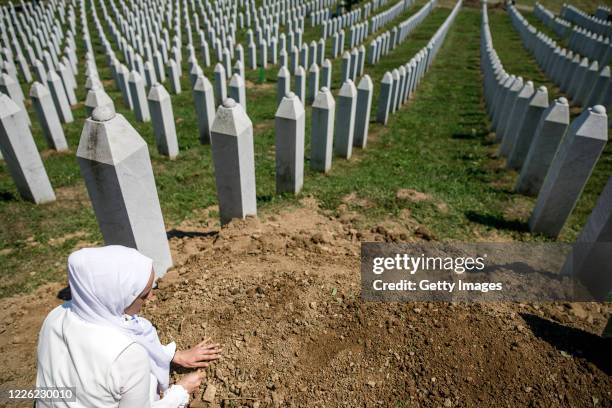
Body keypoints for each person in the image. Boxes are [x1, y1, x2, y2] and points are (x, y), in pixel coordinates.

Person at [35, 245, 222, 407]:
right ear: (115, 296)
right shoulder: (127, 355)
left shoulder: (57, 315)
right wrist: (180, 391)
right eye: (144, 294)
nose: (152, 297)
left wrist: (174, 355)